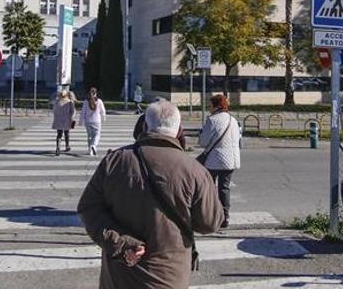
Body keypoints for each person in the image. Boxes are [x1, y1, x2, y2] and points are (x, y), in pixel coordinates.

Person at [78, 100, 224, 289]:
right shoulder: (195, 171)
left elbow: (88, 208)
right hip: (169, 277)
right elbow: (210, 223)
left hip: (119, 278)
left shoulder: (114, 162)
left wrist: (122, 243)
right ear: (179, 131)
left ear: (145, 125)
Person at [198, 94, 241, 229]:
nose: (209, 108)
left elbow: (203, 142)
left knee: (210, 188)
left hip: (215, 160)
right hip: (231, 160)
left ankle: (210, 216)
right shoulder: (233, 120)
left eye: (210, 105)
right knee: (224, 188)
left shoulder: (212, 120)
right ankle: (225, 217)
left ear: (216, 106)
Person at [80, 87, 106, 156]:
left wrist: (81, 121)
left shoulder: (86, 101)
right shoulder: (99, 101)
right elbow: (103, 111)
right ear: (96, 93)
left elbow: (83, 112)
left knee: (90, 136)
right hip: (96, 121)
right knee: (97, 135)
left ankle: (90, 151)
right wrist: (103, 118)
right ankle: (94, 145)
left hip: (88, 121)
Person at [52, 90, 76, 156]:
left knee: (59, 134)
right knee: (66, 133)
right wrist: (72, 118)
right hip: (66, 120)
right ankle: (67, 146)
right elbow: (73, 111)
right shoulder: (69, 102)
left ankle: (58, 147)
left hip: (58, 120)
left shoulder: (57, 101)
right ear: (66, 95)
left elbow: (54, 110)